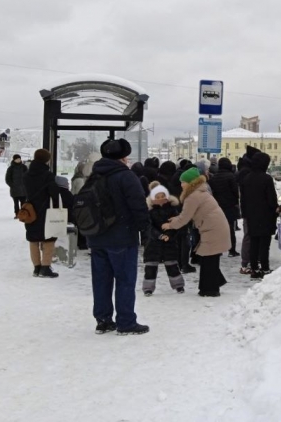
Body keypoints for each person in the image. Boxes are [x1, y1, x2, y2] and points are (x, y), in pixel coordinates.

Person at [88, 138, 150, 335]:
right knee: (124, 279)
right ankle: (125, 322)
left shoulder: (94, 175)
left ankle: (103, 320)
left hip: (96, 236)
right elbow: (139, 206)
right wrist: (145, 231)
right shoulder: (126, 176)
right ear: (123, 157)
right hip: (122, 237)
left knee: (101, 280)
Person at [163, 167, 231, 296]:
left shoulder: (193, 196)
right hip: (214, 228)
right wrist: (176, 219)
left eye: (183, 182)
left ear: (190, 183)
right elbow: (186, 215)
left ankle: (210, 290)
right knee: (208, 258)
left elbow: (184, 218)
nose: (181, 184)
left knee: (208, 258)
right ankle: (215, 282)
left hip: (213, 230)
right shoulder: (199, 192)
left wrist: (170, 225)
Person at [239, 151, 278, 280]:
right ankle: (265, 268)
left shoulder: (246, 178)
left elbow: (243, 199)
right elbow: (271, 199)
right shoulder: (266, 179)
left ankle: (254, 268)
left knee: (254, 242)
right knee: (264, 244)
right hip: (265, 215)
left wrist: (245, 213)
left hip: (251, 215)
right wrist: (275, 209)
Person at [23, 149, 61, 278]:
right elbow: (54, 193)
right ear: (46, 160)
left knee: (33, 239)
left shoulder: (27, 174)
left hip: (30, 211)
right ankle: (45, 268)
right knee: (48, 239)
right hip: (45, 210)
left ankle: (36, 268)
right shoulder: (47, 175)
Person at [142, 183, 184, 296]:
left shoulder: (173, 210)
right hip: (153, 243)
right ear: (153, 199)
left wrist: (169, 235)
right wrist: (159, 235)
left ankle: (178, 285)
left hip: (169, 243)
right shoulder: (149, 212)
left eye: (162, 196)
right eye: (157, 197)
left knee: (172, 266)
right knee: (150, 267)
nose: (160, 199)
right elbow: (148, 227)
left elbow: (176, 225)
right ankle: (148, 288)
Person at [208, 157, 241, 257]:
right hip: (230, 205)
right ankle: (232, 250)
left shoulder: (214, 177)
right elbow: (236, 192)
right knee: (230, 228)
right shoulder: (231, 176)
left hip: (217, 206)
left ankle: (219, 249)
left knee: (218, 228)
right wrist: (236, 201)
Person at [236, 145, 261, 274]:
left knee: (250, 235)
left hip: (248, 208)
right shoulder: (246, 171)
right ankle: (246, 262)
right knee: (249, 236)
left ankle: (249, 261)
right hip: (250, 209)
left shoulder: (243, 169)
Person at [5, 154, 28, 219]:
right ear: (14, 160)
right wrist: (12, 185)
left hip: (23, 189)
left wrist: (26, 185)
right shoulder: (10, 168)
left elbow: (28, 176)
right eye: (17, 159)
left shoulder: (24, 167)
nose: (18, 160)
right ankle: (17, 214)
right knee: (16, 203)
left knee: (23, 203)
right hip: (14, 189)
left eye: (19, 159)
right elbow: (7, 179)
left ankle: (23, 214)